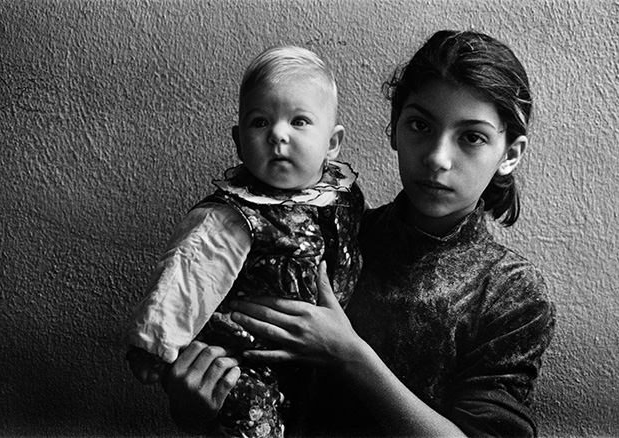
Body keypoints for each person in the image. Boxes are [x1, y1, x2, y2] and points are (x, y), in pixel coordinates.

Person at [162, 30, 556, 437]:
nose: (438, 157)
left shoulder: (510, 293)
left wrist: (349, 354)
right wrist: (194, 404)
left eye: (471, 137)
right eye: (419, 125)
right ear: (393, 130)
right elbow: (241, 381)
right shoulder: (326, 240)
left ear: (509, 154)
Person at [125, 45, 364, 438]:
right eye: (259, 123)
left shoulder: (343, 193)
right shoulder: (231, 216)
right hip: (247, 358)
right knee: (249, 413)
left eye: (299, 121)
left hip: (320, 355)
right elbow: (187, 275)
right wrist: (154, 342)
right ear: (238, 140)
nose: (278, 135)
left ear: (333, 143)